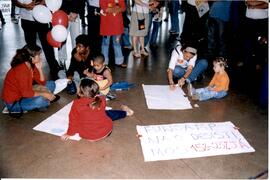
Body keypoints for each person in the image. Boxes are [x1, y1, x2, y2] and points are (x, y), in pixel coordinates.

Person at [61, 78, 134, 141]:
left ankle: (125, 113)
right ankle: (126, 113)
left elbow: (73, 120)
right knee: (107, 113)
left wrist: (69, 133)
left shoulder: (76, 104)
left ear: (80, 92)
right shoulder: (102, 99)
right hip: (107, 132)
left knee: (81, 119)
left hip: (89, 137)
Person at [1, 45, 60, 113]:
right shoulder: (21, 70)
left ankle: (42, 102)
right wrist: (44, 94)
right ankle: (42, 103)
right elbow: (26, 93)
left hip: (25, 93)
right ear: (31, 57)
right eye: (38, 55)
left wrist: (39, 69)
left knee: (51, 84)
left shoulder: (31, 64)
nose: (40, 57)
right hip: (14, 102)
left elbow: (42, 83)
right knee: (40, 101)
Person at [15, 0, 61, 80]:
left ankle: (54, 68)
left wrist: (42, 2)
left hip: (43, 15)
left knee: (47, 45)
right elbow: (14, 1)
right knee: (30, 47)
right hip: (26, 18)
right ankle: (31, 72)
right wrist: (24, 6)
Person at [99, 0, 127, 67]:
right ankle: (104, 62)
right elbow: (105, 9)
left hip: (117, 24)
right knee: (105, 44)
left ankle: (119, 61)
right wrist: (117, 8)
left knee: (117, 43)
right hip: (106, 25)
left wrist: (114, 9)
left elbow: (123, 7)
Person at [58, 0, 82, 69]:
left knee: (76, 39)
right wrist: (68, 13)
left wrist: (76, 12)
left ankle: (76, 59)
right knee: (62, 38)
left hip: (76, 14)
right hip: (63, 13)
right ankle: (62, 60)